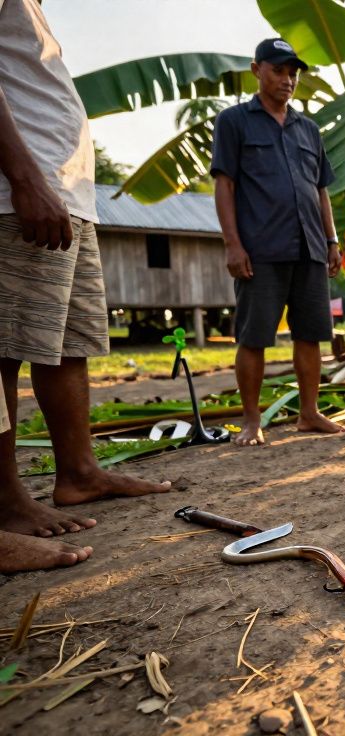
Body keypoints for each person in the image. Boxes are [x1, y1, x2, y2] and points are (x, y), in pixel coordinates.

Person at [1, 0, 168, 572]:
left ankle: (78, 472)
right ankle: (5, 499)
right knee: (6, 345)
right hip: (22, 187)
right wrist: (23, 178)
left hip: (68, 192)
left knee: (68, 342)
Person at [211, 38, 345, 446]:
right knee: (254, 337)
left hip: (309, 246)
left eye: (294, 73)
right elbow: (225, 184)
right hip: (260, 249)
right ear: (257, 70)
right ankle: (252, 421)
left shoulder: (308, 128)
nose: (288, 80)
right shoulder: (234, 121)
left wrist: (332, 240)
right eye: (278, 71)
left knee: (310, 333)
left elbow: (320, 189)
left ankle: (309, 413)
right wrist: (233, 245)